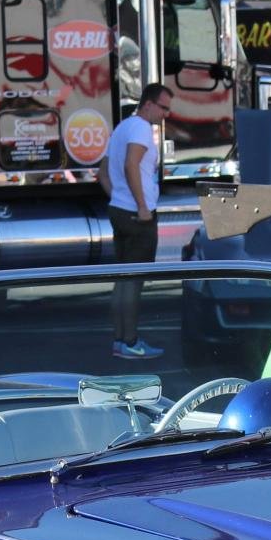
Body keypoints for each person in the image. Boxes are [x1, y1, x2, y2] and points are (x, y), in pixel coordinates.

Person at [101, 83, 172, 360]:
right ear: (149, 104)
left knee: (122, 279)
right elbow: (132, 164)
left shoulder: (122, 128)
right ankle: (130, 342)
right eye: (163, 107)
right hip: (136, 215)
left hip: (120, 210)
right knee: (134, 281)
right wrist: (141, 206)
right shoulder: (142, 129)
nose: (166, 114)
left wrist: (117, 197)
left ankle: (119, 341)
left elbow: (103, 171)